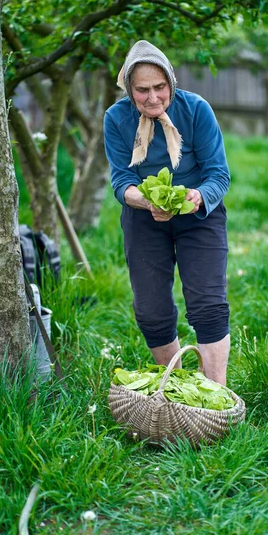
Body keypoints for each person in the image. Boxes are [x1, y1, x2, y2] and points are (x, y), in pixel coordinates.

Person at [103, 40, 231, 385]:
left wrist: (198, 196)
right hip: (145, 219)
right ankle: (173, 387)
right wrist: (146, 201)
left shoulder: (195, 110)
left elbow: (219, 173)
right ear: (129, 89)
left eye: (160, 87)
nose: (153, 98)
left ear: (171, 83)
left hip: (200, 217)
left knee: (207, 305)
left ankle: (214, 394)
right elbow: (122, 180)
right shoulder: (117, 118)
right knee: (150, 311)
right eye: (142, 90)